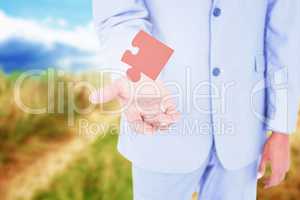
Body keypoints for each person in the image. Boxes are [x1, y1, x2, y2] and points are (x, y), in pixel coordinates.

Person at [91, 0, 300, 199]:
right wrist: (143, 73)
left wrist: (281, 127)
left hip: (243, 121)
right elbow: (122, 12)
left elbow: (284, 33)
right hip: (161, 115)